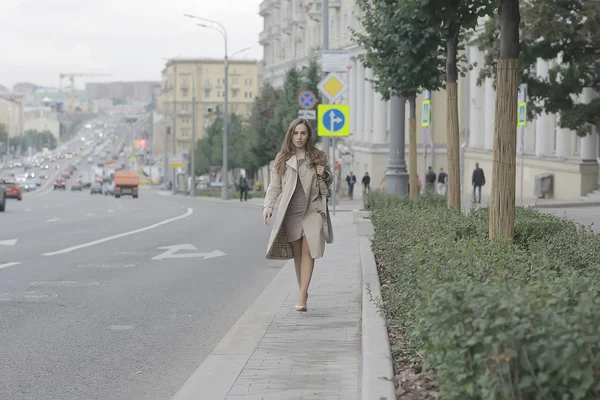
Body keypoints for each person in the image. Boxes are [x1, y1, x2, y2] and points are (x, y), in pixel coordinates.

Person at [263, 118, 333, 312]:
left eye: (303, 133)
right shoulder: (282, 158)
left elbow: (328, 182)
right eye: (295, 133)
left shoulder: (317, 156)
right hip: (291, 212)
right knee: (298, 255)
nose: (299, 137)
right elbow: (274, 187)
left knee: (308, 250)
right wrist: (268, 207)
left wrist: (325, 174)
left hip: (312, 210)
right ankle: (303, 289)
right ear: (290, 135)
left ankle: (302, 296)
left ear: (308, 135)